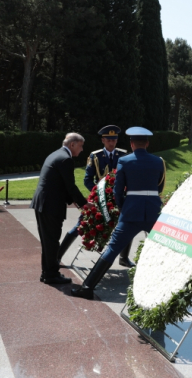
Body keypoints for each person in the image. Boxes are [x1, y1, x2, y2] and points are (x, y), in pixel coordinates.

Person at [71, 127, 166, 300]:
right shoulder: (158, 161)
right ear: (147, 143)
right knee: (163, 247)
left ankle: (88, 287)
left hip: (130, 211)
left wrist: (122, 206)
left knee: (113, 247)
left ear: (131, 144)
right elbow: (160, 186)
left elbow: (117, 189)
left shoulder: (125, 161)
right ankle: (166, 287)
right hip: (153, 211)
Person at [57, 125, 135, 267]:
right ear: (103, 140)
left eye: (114, 139)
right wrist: (99, 193)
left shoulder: (123, 155)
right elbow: (88, 179)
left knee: (127, 226)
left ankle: (124, 258)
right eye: (109, 140)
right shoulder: (96, 156)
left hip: (119, 198)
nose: (112, 143)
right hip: (99, 198)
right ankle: (57, 256)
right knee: (80, 225)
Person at [30, 133, 88, 285]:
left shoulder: (56, 154)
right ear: (72, 145)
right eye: (81, 146)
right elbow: (70, 186)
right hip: (50, 206)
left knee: (48, 241)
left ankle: (47, 273)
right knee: (52, 241)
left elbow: (61, 184)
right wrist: (84, 204)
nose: (82, 150)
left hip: (44, 204)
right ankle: (51, 275)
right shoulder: (66, 159)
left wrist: (74, 201)